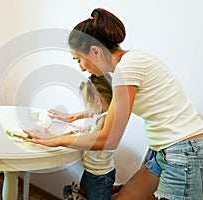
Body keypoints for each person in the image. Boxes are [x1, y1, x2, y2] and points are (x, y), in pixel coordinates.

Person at [25, 8, 203, 200]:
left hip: (185, 153)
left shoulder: (127, 69)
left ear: (95, 51)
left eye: (79, 60)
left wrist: (56, 140)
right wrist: (74, 118)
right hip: (166, 152)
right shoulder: (129, 65)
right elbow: (111, 113)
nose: (82, 69)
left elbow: (108, 139)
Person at [57, 74, 115, 200]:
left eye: (87, 103)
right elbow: (94, 129)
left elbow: (94, 140)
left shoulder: (105, 119)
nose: (87, 108)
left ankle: (113, 189)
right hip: (91, 171)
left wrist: (65, 139)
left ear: (97, 100)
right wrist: (84, 129)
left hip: (100, 176)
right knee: (85, 190)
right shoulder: (100, 115)